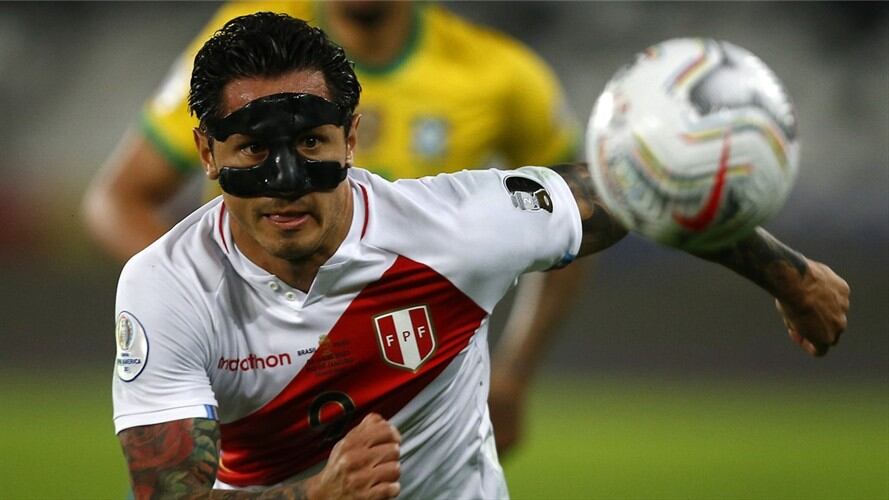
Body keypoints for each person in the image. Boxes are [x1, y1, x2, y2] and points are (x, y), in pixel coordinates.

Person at [112, 13, 849, 499]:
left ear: (351, 139)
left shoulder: (455, 226)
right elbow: (169, 495)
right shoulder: (166, 287)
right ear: (206, 152)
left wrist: (789, 276)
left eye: (310, 144)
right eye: (252, 149)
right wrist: (317, 495)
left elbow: (631, 187)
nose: (286, 182)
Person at [85, 0, 585, 455]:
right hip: (252, 404)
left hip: (407, 387)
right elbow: (117, 199)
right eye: (256, 146)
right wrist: (218, 325)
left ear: (351, 137)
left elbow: (570, 211)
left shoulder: (501, 75)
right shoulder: (247, 48)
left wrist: (514, 373)